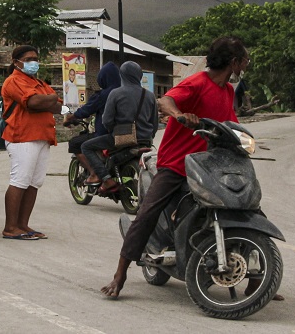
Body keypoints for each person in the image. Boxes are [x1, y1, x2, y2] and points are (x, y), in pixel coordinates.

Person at [101, 36, 254, 299]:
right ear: (234, 62)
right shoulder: (196, 83)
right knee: (148, 211)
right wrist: (180, 115)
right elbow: (165, 101)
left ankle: (256, 279)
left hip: (209, 165)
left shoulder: (228, 91)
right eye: (244, 61)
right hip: (176, 163)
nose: (245, 66)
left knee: (247, 205)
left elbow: (232, 125)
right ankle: (120, 274)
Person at [0, 45, 64, 241]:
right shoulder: (13, 81)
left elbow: (58, 106)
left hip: (42, 136)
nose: (33, 62)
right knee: (20, 180)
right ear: (16, 62)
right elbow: (33, 103)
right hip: (21, 137)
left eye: (35, 58)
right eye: (28, 59)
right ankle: (10, 227)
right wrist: (50, 98)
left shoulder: (38, 82)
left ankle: (22, 224)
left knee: (34, 183)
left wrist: (50, 102)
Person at [80, 61, 156, 193]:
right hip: (145, 140)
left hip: (122, 138)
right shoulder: (149, 95)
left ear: (122, 75)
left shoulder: (116, 93)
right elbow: (154, 122)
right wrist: (149, 135)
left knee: (86, 146)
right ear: (139, 75)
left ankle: (106, 179)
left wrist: (113, 131)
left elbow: (107, 120)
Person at [63, 62, 121, 179]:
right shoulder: (126, 91)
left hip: (106, 135)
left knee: (76, 143)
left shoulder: (103, 95)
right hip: (128, 133)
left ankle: (95, 173)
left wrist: (71, 117)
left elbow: (86, 110)